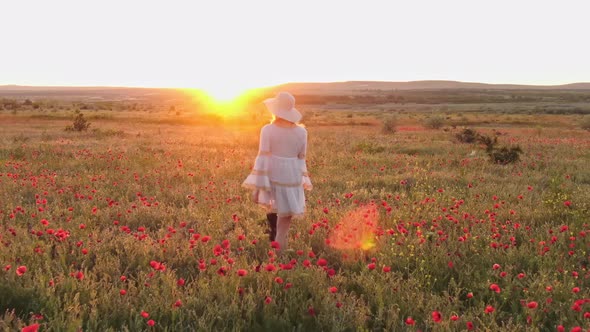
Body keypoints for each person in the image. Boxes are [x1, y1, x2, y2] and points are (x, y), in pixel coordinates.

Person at [243, 92, 312, 253]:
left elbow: (263, 158)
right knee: (284, 224)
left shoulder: (267, 130)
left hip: (273, 175)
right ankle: (280, 252)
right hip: (292, 177)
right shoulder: (302, 132)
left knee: (273, 209)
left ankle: (275, 249)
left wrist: (258, 187)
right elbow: (301, 158)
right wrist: (303, 180)